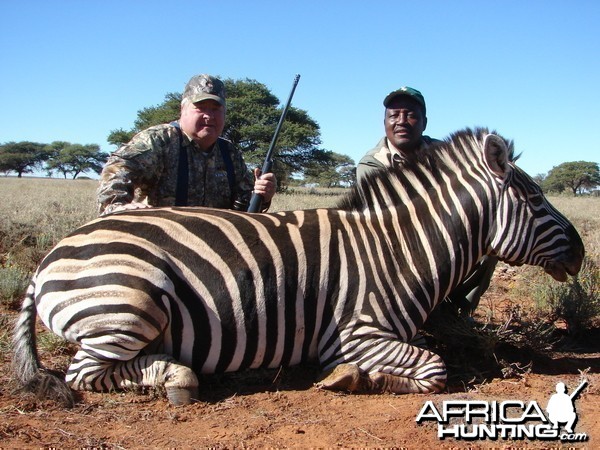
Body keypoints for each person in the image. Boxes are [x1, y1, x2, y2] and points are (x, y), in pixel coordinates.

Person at [357, 86, 497, 315]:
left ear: (424, 122)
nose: (401, 121)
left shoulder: (445, 153)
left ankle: (457, 314)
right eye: (394, 115)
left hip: (444, 232)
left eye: (411, 115)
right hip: (397, 243)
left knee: (486, 244)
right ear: (385, 123)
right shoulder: (371, 164)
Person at [97, 74, 276, 215]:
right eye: (201, 107)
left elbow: (242, 208)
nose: (209, 115)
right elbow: (118, 168)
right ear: (183, 109)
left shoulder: (229, 153)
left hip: (218, 245)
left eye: (216, 109)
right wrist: (117, 206)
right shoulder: (159, 140)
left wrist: (262, 196)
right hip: (163, 240)